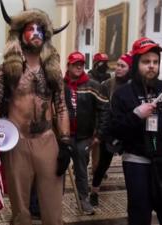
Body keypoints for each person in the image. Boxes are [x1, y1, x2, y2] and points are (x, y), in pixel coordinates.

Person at [0, 1, 70, 224]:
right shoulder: (6, 70)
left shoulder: (53, 70)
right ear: (20, 34)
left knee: (53, 209)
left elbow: (62, 106)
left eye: (40, 29)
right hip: (16, 143)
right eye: (31, 28)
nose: (36, 33)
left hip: (47, 142)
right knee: (20, 212)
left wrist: (65, 143)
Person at [109, 37, 162, 225]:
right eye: (146, 62)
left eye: (155, 62)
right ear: (136, 64)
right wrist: (136, 115)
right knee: (140, 212)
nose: (152, 66)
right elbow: (115, 129)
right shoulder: (122, 94)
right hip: (137, 161)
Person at [64, 51, 109, 215]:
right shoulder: (61, 85)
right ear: (68, 66)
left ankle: (84, 200)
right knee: (58, 169)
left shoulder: (93, 85)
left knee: (82, 170)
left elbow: (104, 110)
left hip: (83, 137)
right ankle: (54, 200)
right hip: (63, 137)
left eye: (81, 64)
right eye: (75, 64)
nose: (78, 66)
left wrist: (99, 135)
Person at [89, 53, 132, 206]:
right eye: (118, 65)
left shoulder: (134, 86)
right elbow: (101, 109)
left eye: (122, 66)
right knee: (103, 164)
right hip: (109, 130)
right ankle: (94, 192)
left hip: (128, 131)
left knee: (132, 165)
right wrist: (100, 130)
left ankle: (135, 196)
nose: (118, 69)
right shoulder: (108, 84)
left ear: (130, 68)